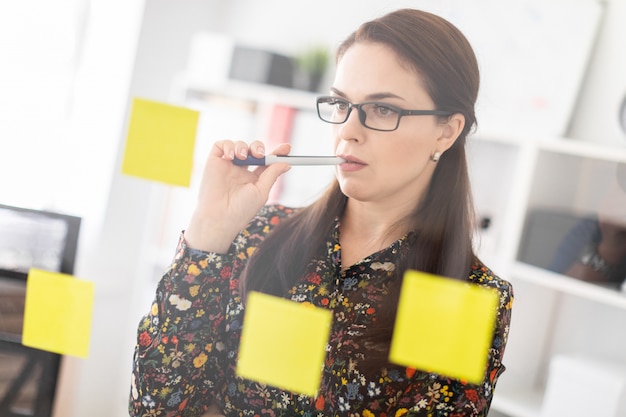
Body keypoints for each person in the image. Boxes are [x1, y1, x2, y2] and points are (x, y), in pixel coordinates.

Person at [129, 8, 514, 417]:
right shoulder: (259, 234)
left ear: (447, 131)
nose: (348, 129)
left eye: (383, 109)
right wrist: (207, 233)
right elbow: (156, 407)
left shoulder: (462, 297)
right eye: (340, 104)